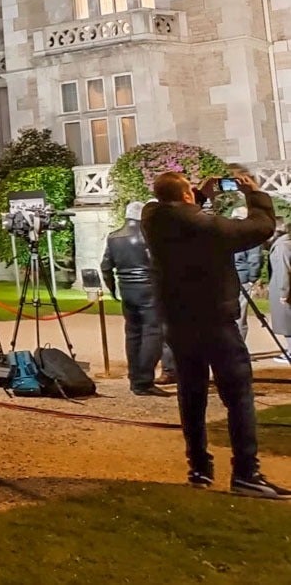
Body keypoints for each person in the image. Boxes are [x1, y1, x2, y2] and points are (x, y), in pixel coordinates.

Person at [142, 171, 288, 498]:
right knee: (238, 396)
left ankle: (199, 467)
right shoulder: (208, 227)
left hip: (178, 323)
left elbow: (175, 209)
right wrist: (254, 194)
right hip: (214, 320)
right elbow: (260, 227)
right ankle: (246, 472)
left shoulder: (152, 219)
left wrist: (200, 195)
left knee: (191, 394)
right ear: (188, 197)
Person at [100, 201, 172, 396]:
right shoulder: (150, 236)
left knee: (132, 333)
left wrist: (113, 288)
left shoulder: (114, 237)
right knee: (153, 332)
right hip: (149, 288)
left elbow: (106, 266)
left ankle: (135, 377)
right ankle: (144, 380)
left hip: (127, 289)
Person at [233, 234, 266, 341]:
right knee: (239, 317)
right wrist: (252, 279)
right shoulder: (250, 237)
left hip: (225, 278)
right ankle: (238, 352)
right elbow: (255, 260)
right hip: (242, 280)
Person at [270, 228, 291, 366]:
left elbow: (284, 269)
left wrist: (284, 292)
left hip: (283, 288)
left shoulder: (282, 246)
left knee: (286, 322)